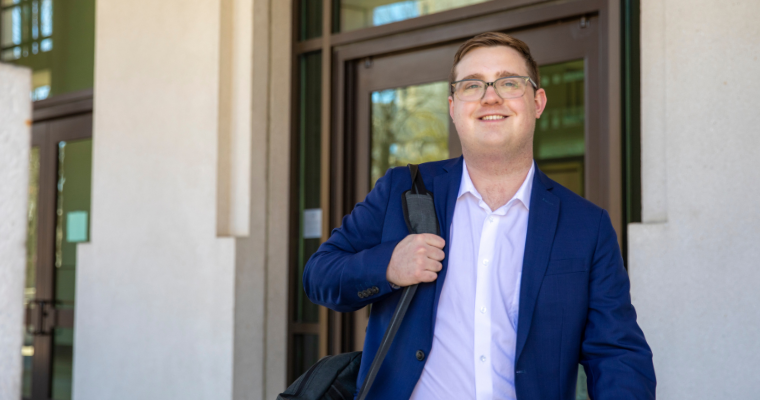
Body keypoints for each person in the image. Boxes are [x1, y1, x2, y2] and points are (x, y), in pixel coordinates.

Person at [303, 32, 656, 400]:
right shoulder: (401, 191)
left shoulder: (586, 225)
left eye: (508, 82)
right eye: (473, 85)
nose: (491, 96)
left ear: (537, 102)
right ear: (453, 107)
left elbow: (617, 354)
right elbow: (319, 274)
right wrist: (388, 266)